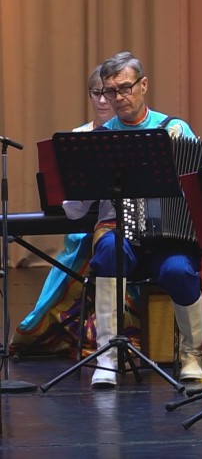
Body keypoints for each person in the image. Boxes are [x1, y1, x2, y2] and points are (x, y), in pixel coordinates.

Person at [63, 52, 202, 388]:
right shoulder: (97, 138)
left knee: (178, 270)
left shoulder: (174, 129)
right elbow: (74, 211)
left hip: (168, 232)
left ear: (143, 85)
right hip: (118, 230)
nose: (117, 98)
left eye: (125, 88)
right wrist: (77, 178)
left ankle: (191, 354)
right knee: (108, 252)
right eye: (110, 91)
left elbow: (197, 187)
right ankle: (107, 356)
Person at [12, 65, 114, 355]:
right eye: (96, 93)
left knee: (112, 249)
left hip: (117, 227)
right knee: (82, 252)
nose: (102, 100)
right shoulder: (77, 136)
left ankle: (112, 336)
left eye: (107, 93)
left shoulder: (131, 135)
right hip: (81, 229)